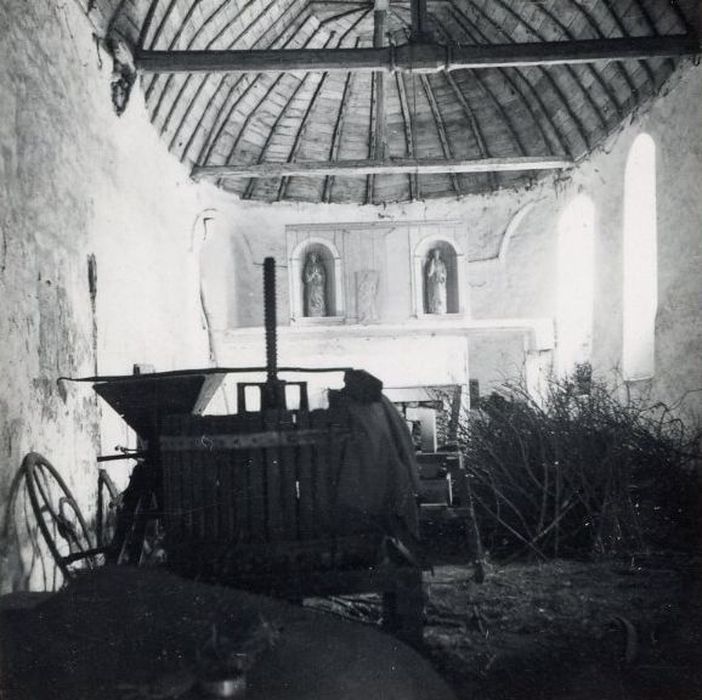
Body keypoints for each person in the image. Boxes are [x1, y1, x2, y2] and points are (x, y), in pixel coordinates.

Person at [303, 252, 327, 317]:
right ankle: (312, 313)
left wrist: (319, 275)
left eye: (314, 257)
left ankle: (321, 312)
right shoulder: (308, 266)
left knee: (319, 297)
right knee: (312, 298)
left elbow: (323, 277)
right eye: (311, 257)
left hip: (319, 286)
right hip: (311, 286)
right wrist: (312, 275)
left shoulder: (320, 266)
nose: (313, 258)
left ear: (316, 258)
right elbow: (306, 278)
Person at [425, 248, 447, 314]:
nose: (436, 255)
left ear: (439, 254)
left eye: (437, 254)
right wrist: (432, 267)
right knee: (434, 295)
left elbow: (444, 272)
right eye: (435, 254)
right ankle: (434, 309)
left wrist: (442, 276)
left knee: (441, 295)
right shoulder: (431, 263)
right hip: (433, 281)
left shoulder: (441, 263)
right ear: (433, 254)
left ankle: (441, 309)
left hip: (440, 281)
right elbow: (429, 273)